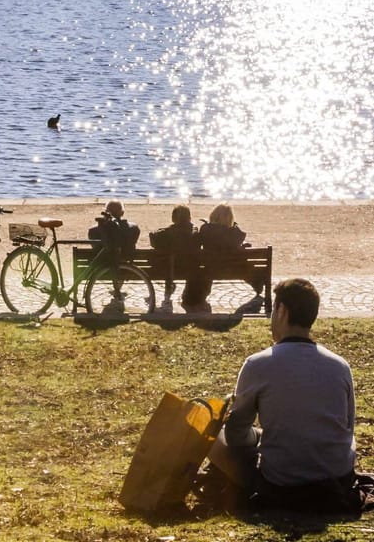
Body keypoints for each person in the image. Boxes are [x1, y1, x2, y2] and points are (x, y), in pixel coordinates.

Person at [210, 278, 359, 514]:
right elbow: (347, 427)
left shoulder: (258, 364)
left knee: (213, 439)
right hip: (337, 476)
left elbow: (236, 435)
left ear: (281, 311)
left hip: (282, 483)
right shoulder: (340, 366)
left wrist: (255, 439)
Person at [181, 203, 249, 312]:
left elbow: (196, 244)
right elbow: (238, 237)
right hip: (229, 269)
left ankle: (191, 298)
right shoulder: (235, 234)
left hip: (209, 268)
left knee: (197, 267)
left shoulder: (205, 229)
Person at [149, 204, 198, 308]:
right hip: (188, 269)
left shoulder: (164, 234)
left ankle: (168, 290)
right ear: (189, 218)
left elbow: (153, 238)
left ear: (173, 218)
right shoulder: (195, 234)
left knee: (168, 261)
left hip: (167, 270)